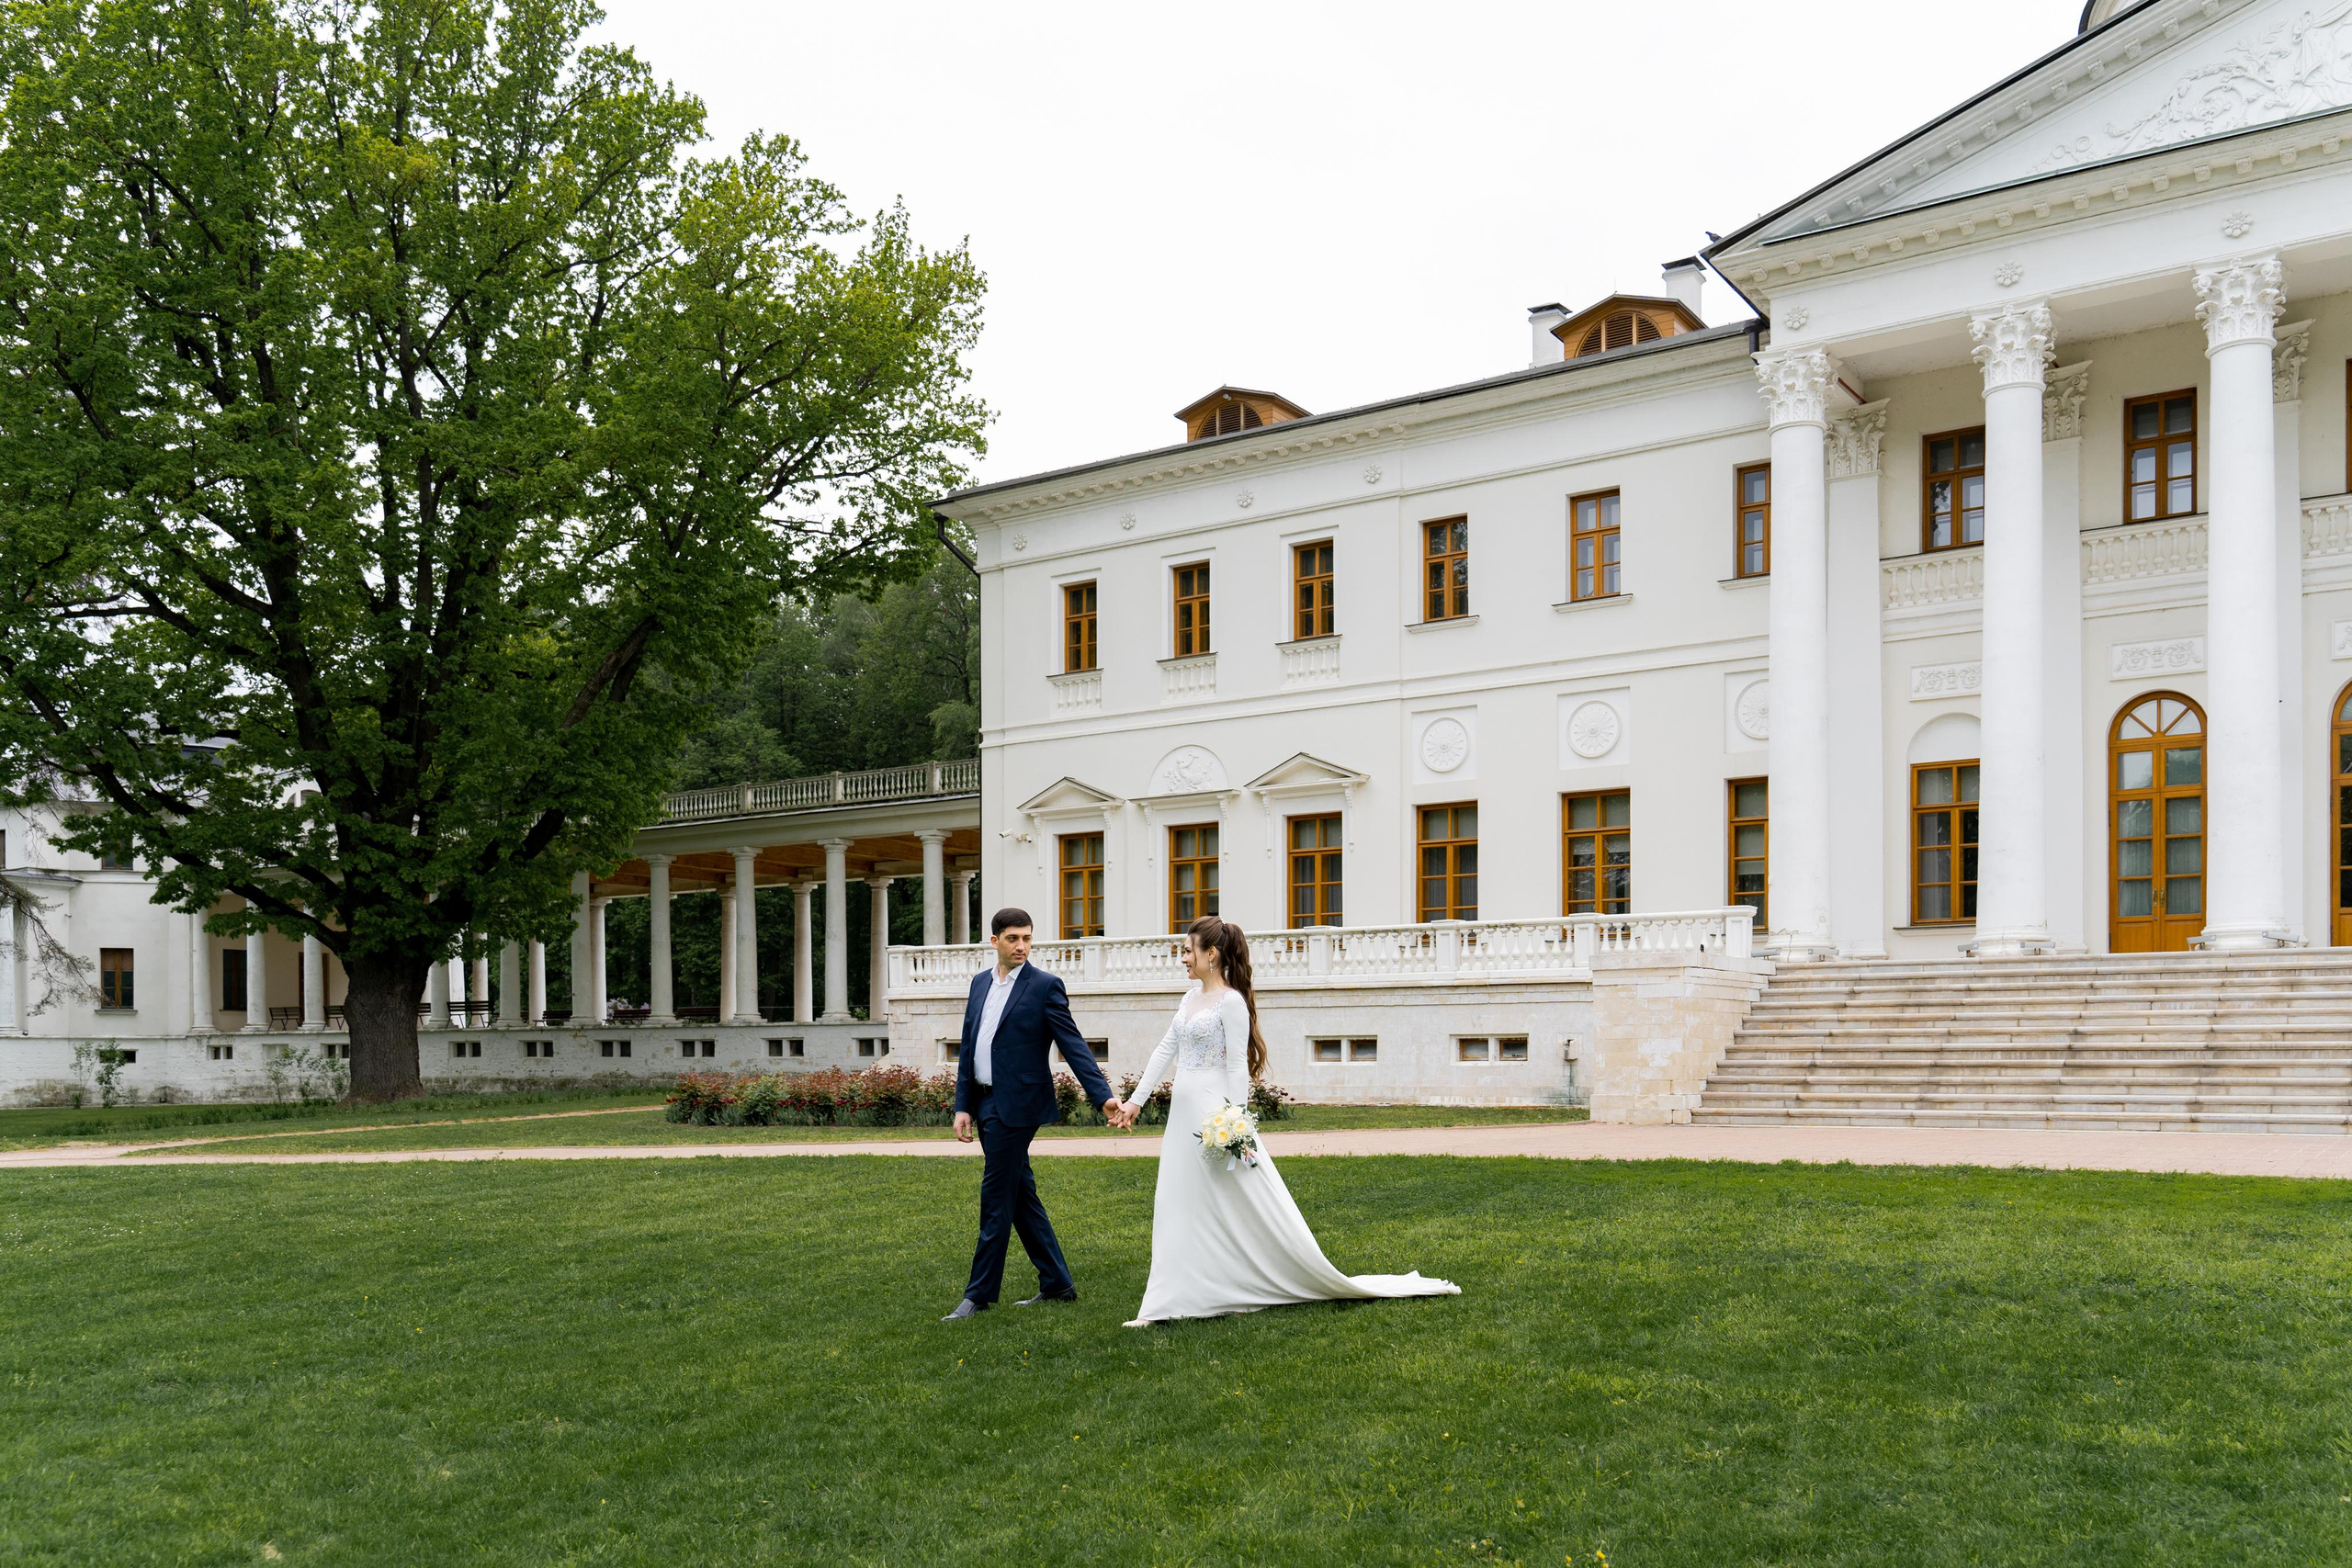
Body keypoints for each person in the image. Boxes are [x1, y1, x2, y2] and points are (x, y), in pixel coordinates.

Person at [1117, 916, 1460, 1326]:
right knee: (1179, 1201)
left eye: (1189, 951)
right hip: (1182, 1119)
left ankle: (1255, 1276)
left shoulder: (1231, 1002)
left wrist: (1235, 1124)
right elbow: (1164, 1050)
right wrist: (1135, 1102)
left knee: (1239, 1199)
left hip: (1215, 1118)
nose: (1183, 958)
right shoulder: (1189, 999)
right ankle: (1172, 1296)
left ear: (1212, 954)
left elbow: (1237, 1066)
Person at [941, 908, 1134, 1320]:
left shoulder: (1045, 986)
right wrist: (963, 1105)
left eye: (1027, 938)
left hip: (1018, 1105)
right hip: (985, 1101)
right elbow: (969, 1045)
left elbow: (1073, 1043)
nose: (1022, 946)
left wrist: (1102, 1096)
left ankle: (978, 1296)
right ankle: (1057, 1282)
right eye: (1013, 938)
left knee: (996, 1196)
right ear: (994, 941)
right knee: (1019, 1195)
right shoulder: (979, 984)